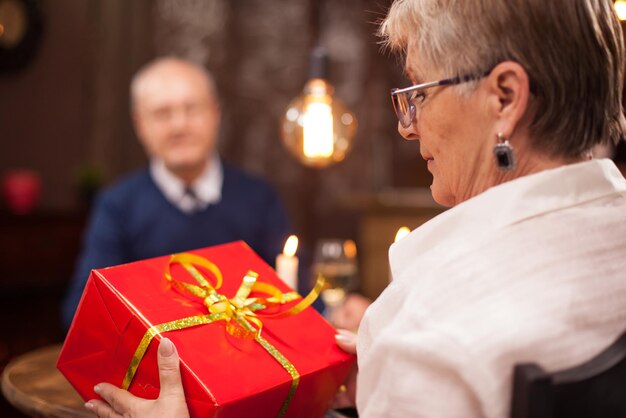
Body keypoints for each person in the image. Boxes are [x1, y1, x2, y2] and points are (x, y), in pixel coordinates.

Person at [84, 1, 626, 417]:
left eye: (421, 92)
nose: (407, 125)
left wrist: (405, 359)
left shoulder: (433, 333)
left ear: (505, 97)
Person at [62, 57, 291, 329]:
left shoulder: (259, 198)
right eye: (162, 113)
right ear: (140, 125)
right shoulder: (117, 205)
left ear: (215, 114)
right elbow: (80, 311)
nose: (179, 126)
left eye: (192, 109)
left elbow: (296, 289)